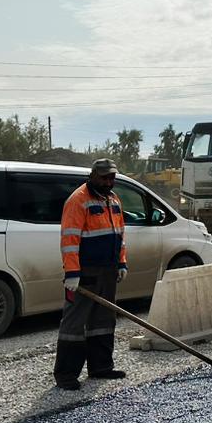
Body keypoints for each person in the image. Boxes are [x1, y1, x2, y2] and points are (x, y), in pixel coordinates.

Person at [54, 159, 128, 391]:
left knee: (104, 321)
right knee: (75, 323)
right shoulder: (78, 200)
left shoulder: (113, 200)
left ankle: (101, 366)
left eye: (112, 178)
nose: (108, 182)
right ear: (93, 175)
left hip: (108, 270)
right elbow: (70, 240)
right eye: (104, 178)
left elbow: (120, 236)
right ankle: (66, 375)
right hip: (85, 272)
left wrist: (121, 263)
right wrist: (73, 273)